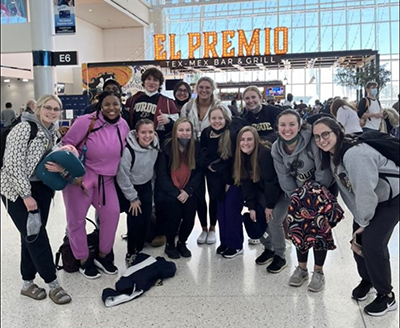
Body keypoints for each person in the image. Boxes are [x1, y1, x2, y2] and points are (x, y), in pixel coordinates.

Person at [313, 117, 399, 316]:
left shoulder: (353, 154)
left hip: (393, 198)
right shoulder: (334, 154)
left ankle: (387, 296)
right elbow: (348, 192)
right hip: (375, 200)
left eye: (326, 134)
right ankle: (368, 279)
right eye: (317, 136)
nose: (321, 140)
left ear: (338, 132)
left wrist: (364, 223)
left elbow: (364, 192)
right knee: (357, 240)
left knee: (371, 242)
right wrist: (360, 221)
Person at [1, 94, 71, 305]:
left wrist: (61, 168)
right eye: (48, 108)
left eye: (56, 109)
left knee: (29, 235)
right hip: (16, 190)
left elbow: (54, 161)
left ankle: (27, 283)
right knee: (37, 236)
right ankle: (53, 284)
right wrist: (26, 195)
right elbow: (12, 165)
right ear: (38, 109)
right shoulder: (24, 129)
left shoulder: (51, 133)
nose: (52, 112)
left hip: (42, 189)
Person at [62, 91, 130, 279]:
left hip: (106, 179)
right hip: (80, 179)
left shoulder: (123, 125)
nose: (111, 108)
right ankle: (83, 260)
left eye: (115, 104)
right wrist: (72, 174)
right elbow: (67, 145)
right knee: (76, 221)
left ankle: (103, 255)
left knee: (112, 215)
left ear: (120, 105)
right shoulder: (86, 121)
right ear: (100, 106)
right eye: (107, 104)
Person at [271, 109, 335, 292]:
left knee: (319, 232)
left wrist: (314, 195)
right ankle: (301, 268)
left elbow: (323, 169)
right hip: (297, 194)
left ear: (299, 126)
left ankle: (319, 272)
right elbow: (283, 175)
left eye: (292, 124)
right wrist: (297, 198)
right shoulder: (276, 148)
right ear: (277, 127)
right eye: (283, 125)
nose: (287, 128)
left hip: (322, 190)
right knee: (299, 231)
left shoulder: (310, 141)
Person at [234, 126, 289, 270]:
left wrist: (269, 206)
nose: (246, 143)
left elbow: (272, 183)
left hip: (281, 193)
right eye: (242, 140)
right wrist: (251, 206)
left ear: (256, 140)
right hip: (263, 193)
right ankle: (269, 249)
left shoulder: (264, 154)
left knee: (273, 219)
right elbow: (247, 185)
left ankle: (280, 256)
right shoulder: (242, 157)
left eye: (249, 139)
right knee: (258, 216)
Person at [181, 76, 222, 245]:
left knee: (213, 193)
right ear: (196, 89)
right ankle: (203, 228)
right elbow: (181, 127)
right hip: (193, 155)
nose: (204, 90)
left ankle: (213, 228)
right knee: (198, 193)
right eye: (201, 87)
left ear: (213, 89)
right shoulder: (188, 106)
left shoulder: (220, 107)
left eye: (208, 87)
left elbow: (226, 127)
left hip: (214, 155)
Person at [155, 117, 202, 259]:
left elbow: (199, 172)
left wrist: (188, 191)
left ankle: (182, 242)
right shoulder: (166, 147)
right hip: (171, 192)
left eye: (188, 130)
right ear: (175, 131)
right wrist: (176, 193)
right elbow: (161, 175)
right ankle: (170, 244)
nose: (184, 133)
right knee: (173, 218)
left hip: (189, 191)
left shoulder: (197, 146)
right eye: (181, 130)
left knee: (189, 218)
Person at [200, 105, 243, 258]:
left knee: (232, 212)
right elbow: (203, 153)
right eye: (213, 118)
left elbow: (232, 160)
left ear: (226, 119)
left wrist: (226, 179)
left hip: (231, 180)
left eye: (220, 118)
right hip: (215, 181)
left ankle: (236, 244)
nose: (217, 121)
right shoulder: (206, 133)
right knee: (221, 212)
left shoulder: (231, 134)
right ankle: (225, 241)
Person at [116, 119, 159, 266]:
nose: (147, 136)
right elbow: (122, 176)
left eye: (150, 132)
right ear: (137, 134)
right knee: (135, 220)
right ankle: (131, 251)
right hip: (131, 188)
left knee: (146, 219)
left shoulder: (154, 146)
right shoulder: (128, 151)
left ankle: (139, 249)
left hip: (146, 186)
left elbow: (152, 170)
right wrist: (133, 198)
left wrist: (151, 192)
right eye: (143, 132)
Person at [125, 67, 179, 143]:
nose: (151, 82)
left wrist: (168, 121)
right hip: (135, 141)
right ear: (143, 81)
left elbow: (178, 126)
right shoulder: (132, 100)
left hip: (158, 142)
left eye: (155, 80)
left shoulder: (168, 103)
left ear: (160, 83)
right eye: (148, 79)